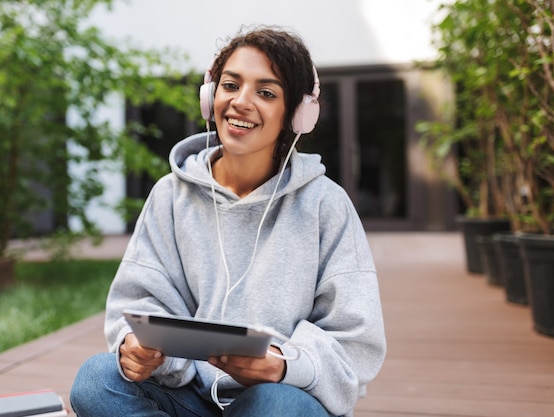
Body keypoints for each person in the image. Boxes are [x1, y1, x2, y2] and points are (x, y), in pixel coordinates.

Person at [70, 26, 386, 417]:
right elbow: (139, 301)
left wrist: (285, 363)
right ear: (210, 97)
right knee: (96, 380)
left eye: (266, 93)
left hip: (280, 395)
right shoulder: (171, 195)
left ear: (297, 114)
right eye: (231, 85)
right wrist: (139, 349)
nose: (241, 102)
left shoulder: (327, 205)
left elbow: (355, 340)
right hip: (188, 394)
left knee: (277, 406)